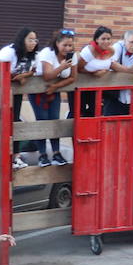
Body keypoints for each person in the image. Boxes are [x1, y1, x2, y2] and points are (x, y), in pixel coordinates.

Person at [31, 28, 76, 165]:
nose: (67, 48)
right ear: (57, 43)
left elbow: (73, 77)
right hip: (38, 90)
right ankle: (42, 155)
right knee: (42, 120)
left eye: (70, 45)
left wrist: (56, 87)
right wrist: (62, 67)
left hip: (54, 90)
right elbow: (47, 75)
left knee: (55, 121)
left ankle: (56, 153)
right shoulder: (47, 53)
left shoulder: (72, 56)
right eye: (65, 45)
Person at [0, 27, 39, 167]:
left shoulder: (34, 55)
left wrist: (23, 76)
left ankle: (15, 156)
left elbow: (32, 72)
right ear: (22, 39)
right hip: (1, 92)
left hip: (17, 93)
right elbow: (2, 73)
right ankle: (1, 155)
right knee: (2, 122)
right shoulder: (9, 52)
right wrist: (20, 77)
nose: (33, 43)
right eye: (30, 39)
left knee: (15, 123)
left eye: (35, 40)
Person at [77, 26, 117, 118]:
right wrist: (94, 73)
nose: (106, 41)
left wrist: (129, 70)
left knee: (95, 111)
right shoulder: (89, 51)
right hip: (80, 83)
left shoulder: (111, 51)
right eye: (103, 39)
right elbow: (79, 68)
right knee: (78, 111)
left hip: (95, 85)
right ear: (96, 39)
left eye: (108, 39)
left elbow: (111, 64)